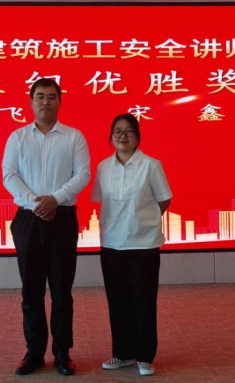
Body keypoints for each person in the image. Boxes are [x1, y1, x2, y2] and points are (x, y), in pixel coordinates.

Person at [1, 78, 91, 376]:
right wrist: (36, 203)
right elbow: (9, 175)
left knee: (62, 291)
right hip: (28, 219)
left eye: (52, 97)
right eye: (40, 96)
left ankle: (63, 353)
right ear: (31, 102)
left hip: (62, 218)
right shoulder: (17, 137)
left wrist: (55, 199)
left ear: (59, 102)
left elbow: (82, 175)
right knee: (31, 291)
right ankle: (34, 353)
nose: (45, 102)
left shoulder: (74, 137)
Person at [90, 113, 172, 377]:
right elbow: (102, 200)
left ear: (138, 137)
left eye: (128, 131)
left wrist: (145, 220)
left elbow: (164, 199)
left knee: (143, 301)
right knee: (117, 300)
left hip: (143, 243)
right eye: (117, 131)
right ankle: (123, 353)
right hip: (112, 243)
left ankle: (145, 356)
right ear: (111, 137)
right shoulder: (103, 167)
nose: (122, 136)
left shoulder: (151, 165)